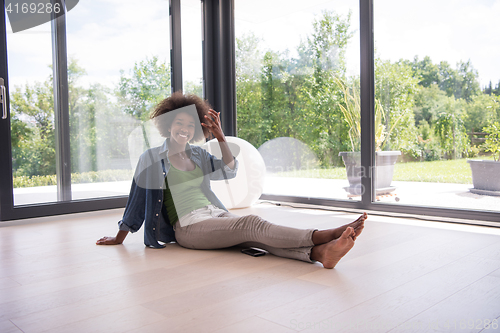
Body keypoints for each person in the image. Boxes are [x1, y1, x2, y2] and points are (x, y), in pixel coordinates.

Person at [96, 92, 366, 269]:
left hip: (215, 214)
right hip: (189, 226)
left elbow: (229, 170)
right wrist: (120, 236)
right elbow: (136, 199)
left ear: (197, 129)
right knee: (252, 223)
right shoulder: (152, 158)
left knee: (253, 238)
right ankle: (322, 235)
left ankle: (320, 255)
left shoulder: (199, 154)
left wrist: (221, 136)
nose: (185, 129)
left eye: (191, 125)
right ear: (168, 125)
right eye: (179, 123)